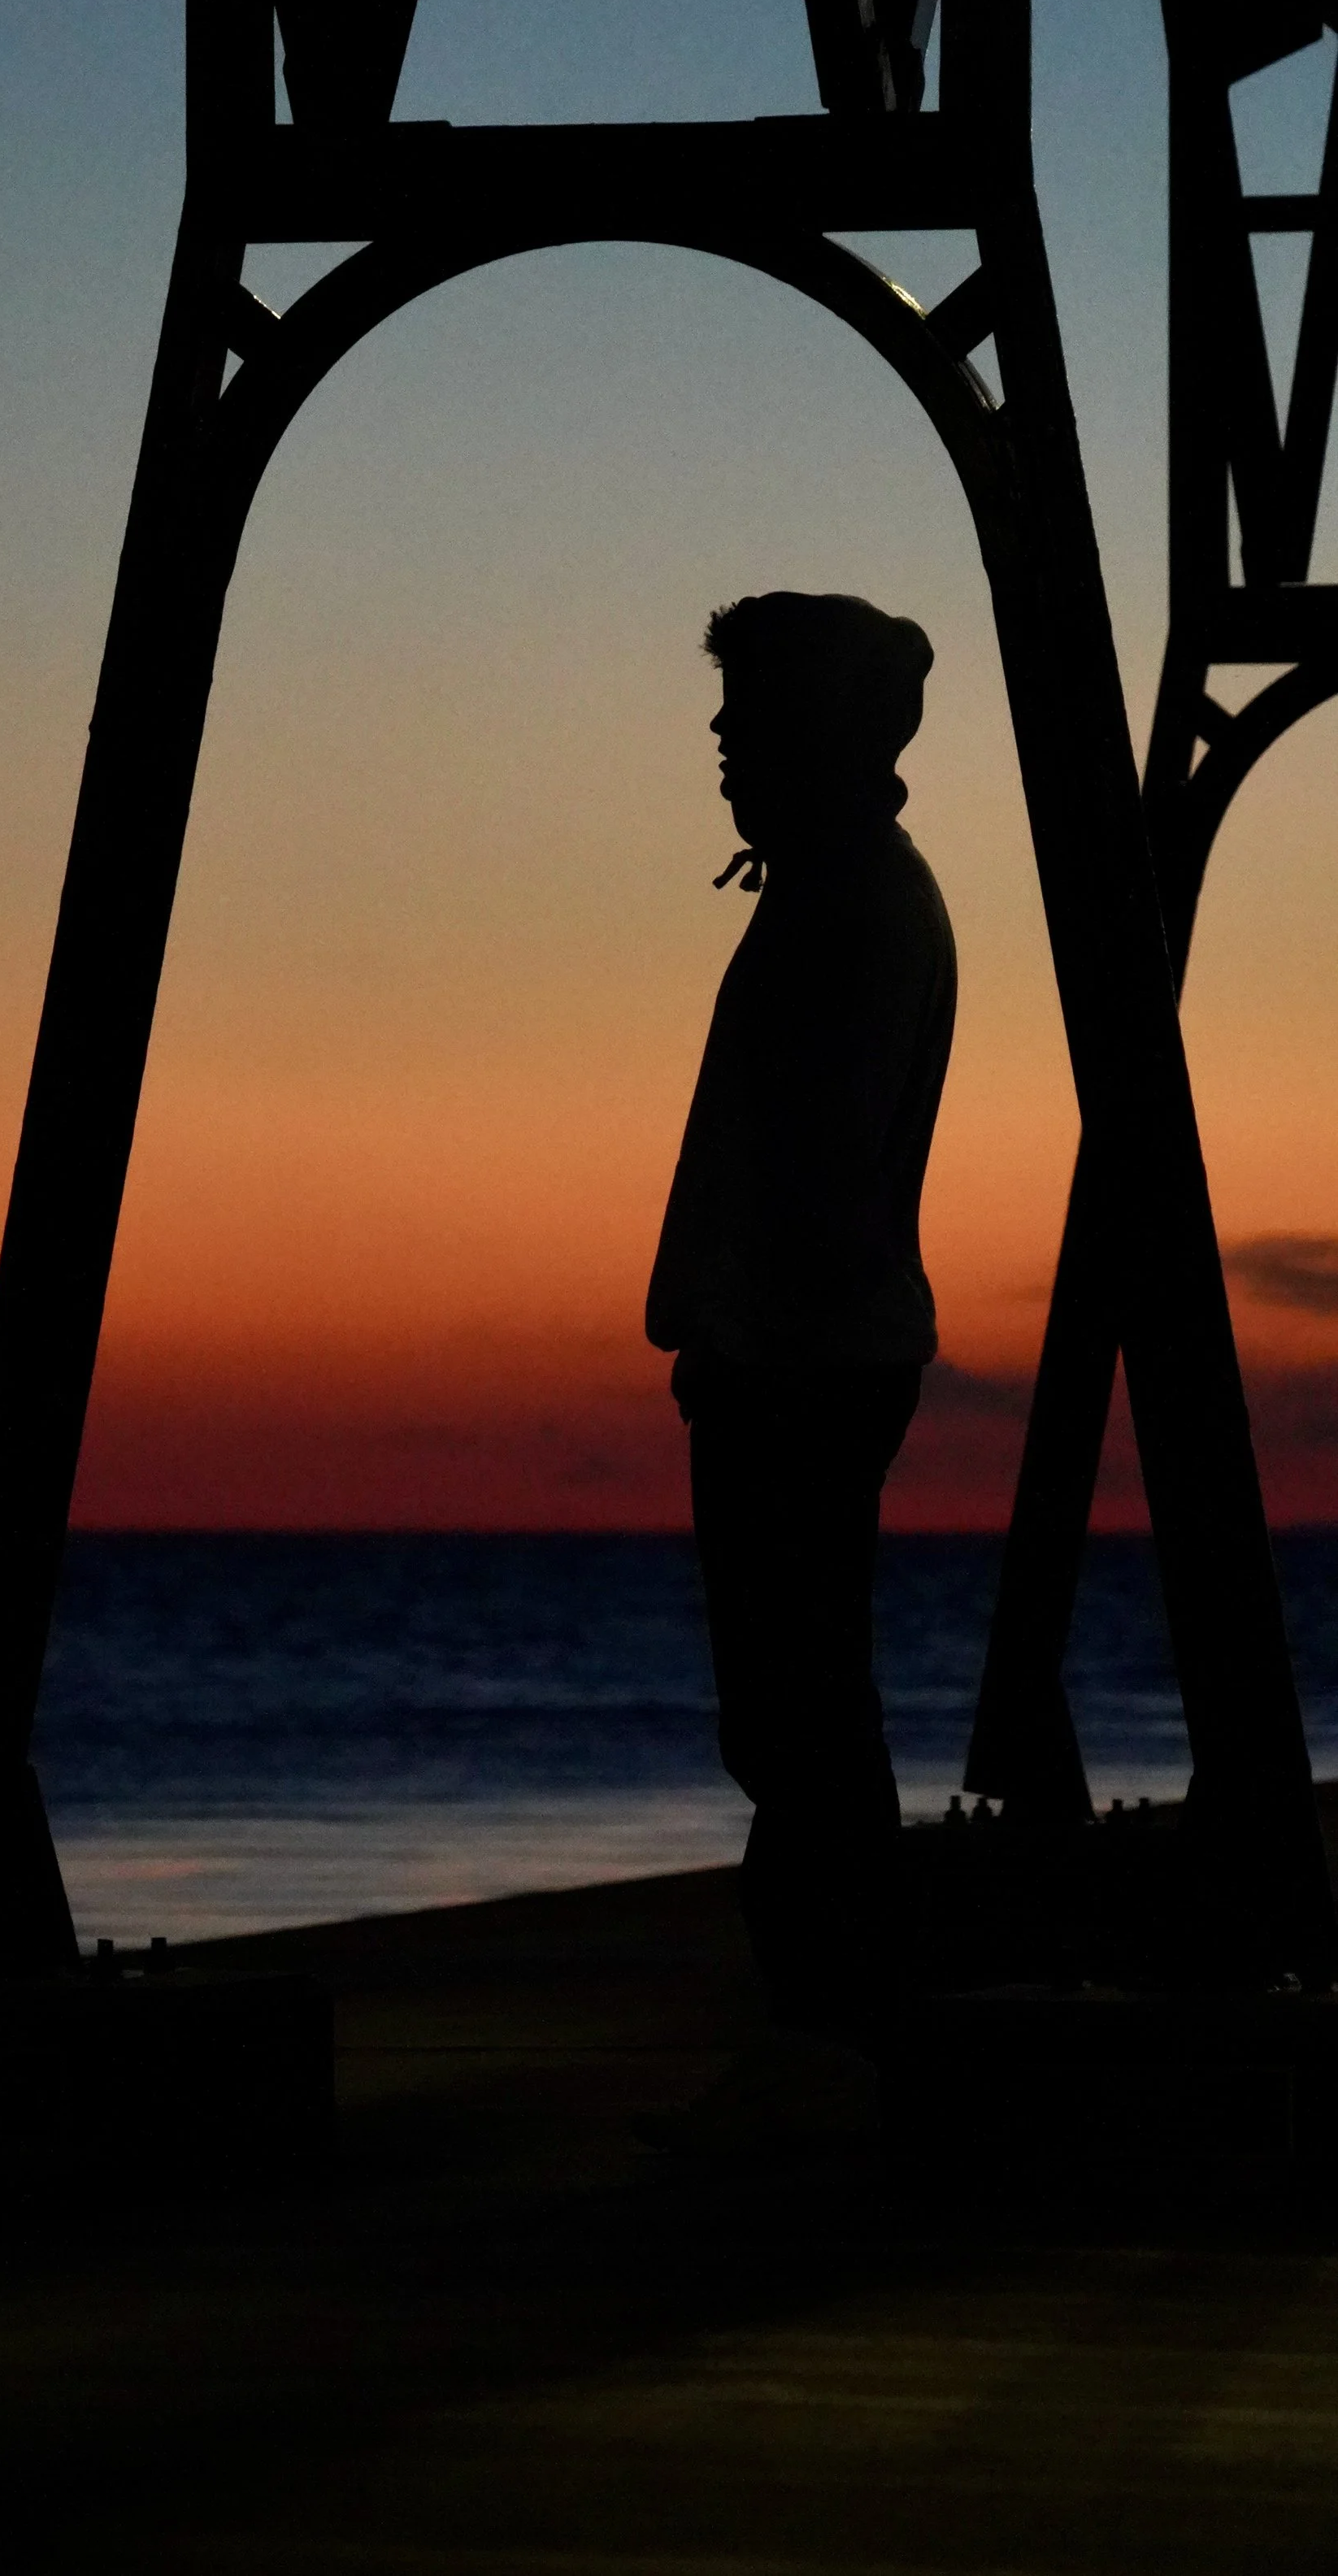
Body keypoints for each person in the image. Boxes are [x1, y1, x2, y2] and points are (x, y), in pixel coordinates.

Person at [647, 591, 956, 2060]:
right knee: (795, 1708)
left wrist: (738, 1343)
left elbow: (817, 1170)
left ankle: (842, 2028)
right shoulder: (836, 890)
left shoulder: (853, 906)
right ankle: (834, 2026)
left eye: (747, 709)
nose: (720, 736)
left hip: (806, 1357)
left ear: (816, 730)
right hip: (806, 1349)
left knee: (799, 1712)